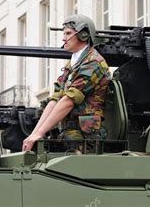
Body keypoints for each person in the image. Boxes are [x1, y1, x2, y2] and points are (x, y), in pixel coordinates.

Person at [22, 14, 111, 152]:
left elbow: (69, 100)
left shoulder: (93, 63)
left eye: (68, 33)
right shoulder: (74, 63)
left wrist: (39, 133)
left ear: (83, 35)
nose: (64, 38)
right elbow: (55, 99)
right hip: (70, 134)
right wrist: (35, 133)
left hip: (85, 140)